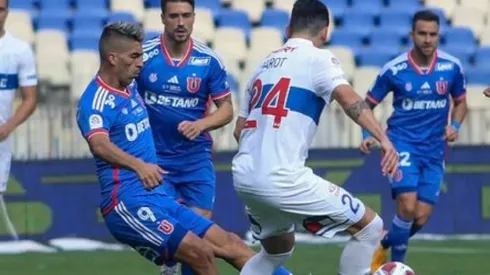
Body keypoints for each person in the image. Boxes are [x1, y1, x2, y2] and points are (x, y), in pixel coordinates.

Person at [76, 21, 291, 275]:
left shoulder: (131, 86)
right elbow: (99, 143)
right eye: (134, 57)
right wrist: (139, 166)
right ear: (112, 58)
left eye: (141, 56)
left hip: (158, 197)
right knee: (199, 254)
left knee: (231, 244)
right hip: (126, 202)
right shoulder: (95, 100)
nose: (141, 63)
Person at [232, 1, 399, 274]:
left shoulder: (260, 67)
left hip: (246, 176)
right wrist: (383, 138)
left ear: (288, 28)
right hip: (282, 177)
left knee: (278, 250)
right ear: (325, 32)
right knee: (371, 228)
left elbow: (240, 130)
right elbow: (349, 100)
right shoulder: (319, 58)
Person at [360, 10, 468, 271]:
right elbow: (367, 104)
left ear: (438, 36)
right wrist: (367, 135)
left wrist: (454, 125)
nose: (428, 40)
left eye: (432, 34)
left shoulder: (451, 67)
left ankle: (385, 244)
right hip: (401, 145)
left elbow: (461, 102)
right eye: (422, 34)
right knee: (407, 206)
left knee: (420, 216)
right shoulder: (394, 69)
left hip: (434, 151)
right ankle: (398, 266)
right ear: (412, 35)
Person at [0, 0, 38, 241]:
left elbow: (30, 99)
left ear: (7, 12)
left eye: (0, 9)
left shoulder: (19, 50)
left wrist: (8, 127)